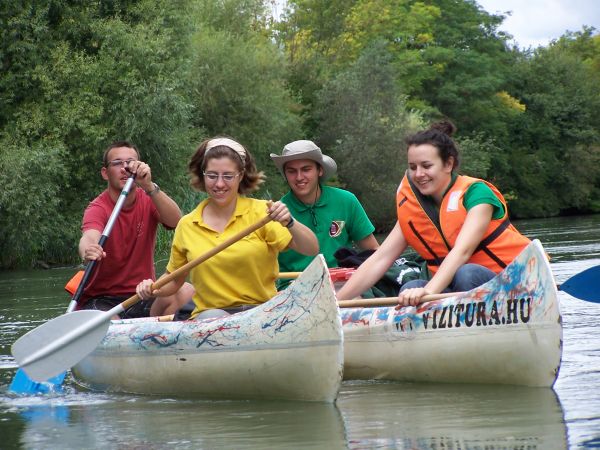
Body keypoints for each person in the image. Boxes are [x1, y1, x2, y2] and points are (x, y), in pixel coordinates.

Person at [337, 121, 531, 307]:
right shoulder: (413, 211)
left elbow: (462, 251)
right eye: (413, 167)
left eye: (426, 166)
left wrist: (428, 292)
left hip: (514, 283)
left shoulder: (476, 194)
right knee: (411, 288)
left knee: (467, 274)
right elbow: (379, 260)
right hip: (457, 291)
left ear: (448, 164)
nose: (418, 174)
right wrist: (336, 302)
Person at [136, 137, 319, 320]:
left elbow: (311, 248)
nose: (219, 184)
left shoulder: (262, 213)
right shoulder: (188, 224)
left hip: (262, 314)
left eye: (228, 176)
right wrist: (152, 289)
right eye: (212, 175)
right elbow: (174, 279)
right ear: (203, 175)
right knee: (213, 316)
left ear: (240, 175)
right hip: (211, 317)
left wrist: (289, 222)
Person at [79, 141, 194, 318]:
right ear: (105, 173)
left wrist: (148, 186)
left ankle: (162, 338)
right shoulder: (98, 207)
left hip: (143, 293)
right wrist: (89, 249)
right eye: (117, 163)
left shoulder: (149, 198)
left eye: (131, 162)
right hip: (103, 300)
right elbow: (89, 237)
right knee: (105, 319)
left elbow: (177, 221)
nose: (125, 168)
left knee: (186, 290)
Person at [270, 140, 379, 284]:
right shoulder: (276, 213)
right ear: (285, 175)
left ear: (319, 170)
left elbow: (373, 250)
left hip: (342, 283)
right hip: (294, 288)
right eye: (291, 171)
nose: (299, 177)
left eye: (306, 169)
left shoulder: (346, 200)